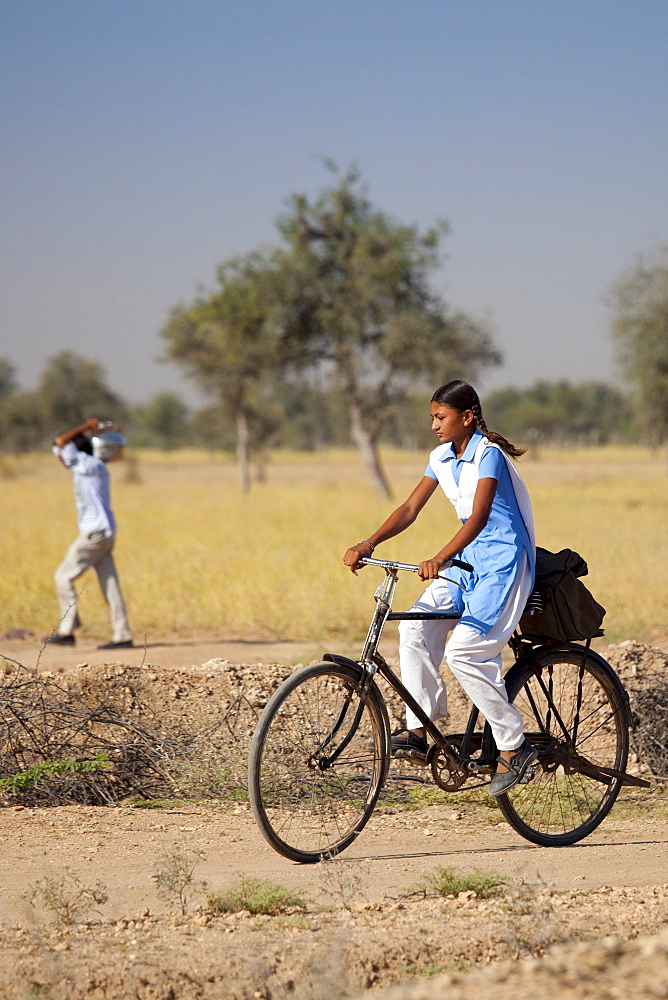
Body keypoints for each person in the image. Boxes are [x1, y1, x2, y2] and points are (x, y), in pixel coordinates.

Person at [343, 380, 537, 796]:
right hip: (468, 563)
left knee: (464, 652)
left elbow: (480, 518)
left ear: (467, 417)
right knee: (413, 629)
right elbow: (410, 508)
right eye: (432, 417)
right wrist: (369, 543)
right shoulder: (441, 458)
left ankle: (514, 745)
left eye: (441, 417)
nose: (433, 425)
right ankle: (420, 729)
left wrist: (440, 557)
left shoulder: (490, 456)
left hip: (503, 565)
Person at [42, 417, 134, 651]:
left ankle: (67, 630)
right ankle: (122, 634)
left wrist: (84, 426)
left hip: (94, 534)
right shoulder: (96, 466)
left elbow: (61, 441)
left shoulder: (86, 465)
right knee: (110, 584)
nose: (60, 458)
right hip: (106, 532)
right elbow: (61, 446)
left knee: (62, 577)